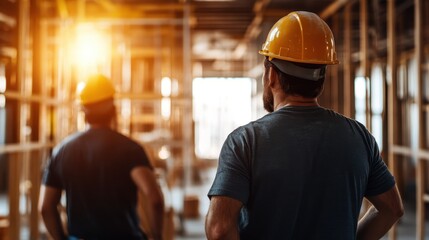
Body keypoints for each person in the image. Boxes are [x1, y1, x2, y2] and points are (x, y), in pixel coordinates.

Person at [205, 11, 404, 240]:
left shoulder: (245, 142)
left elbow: (219, 230)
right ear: (321, 80)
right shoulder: (359, 137)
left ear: (271, 76)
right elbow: (392, 209)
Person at [39, 74, 164, 240]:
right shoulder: (130, 149)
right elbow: (154, 199)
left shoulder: (62, 151)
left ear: (83, 109)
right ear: (112, 106)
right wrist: (157, 237)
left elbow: (45, 207)